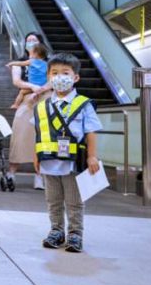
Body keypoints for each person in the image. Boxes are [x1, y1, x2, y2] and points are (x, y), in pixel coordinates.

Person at [34, 53, 102, 253]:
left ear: (76, 77)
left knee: (74, 200)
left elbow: (91, 132)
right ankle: (56, 231)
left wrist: (92, 156)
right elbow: (38, 132)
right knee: (53, 200)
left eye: (65, 73)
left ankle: (75, 233)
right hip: (48, 160)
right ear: (48, 76)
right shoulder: (42, 106)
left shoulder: (84, 104)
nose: (59, 77)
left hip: (73, 161)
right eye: (54, 73)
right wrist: (36, 156)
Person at [8, 32, 47, 191]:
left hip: (45, 99)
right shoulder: (22, 63)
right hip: (27, 99)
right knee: (19, 135)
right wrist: (32, 87)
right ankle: (11, 172)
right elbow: (17, 81)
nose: (31, 43)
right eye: (28, 40)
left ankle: (39, 175)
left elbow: (53, 80)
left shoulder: (48, 63)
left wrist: (42, 89)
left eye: (34, 40)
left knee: (43, 137)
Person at [7, 42, 50, 109]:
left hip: (32, 85)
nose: (30, 54)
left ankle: (16, 104)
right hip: (43, 86)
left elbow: (20, 63)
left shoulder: (31, 61)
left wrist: (11, 63)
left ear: (35, 54)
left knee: (21, 92)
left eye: (31, 52)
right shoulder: (46, 64)